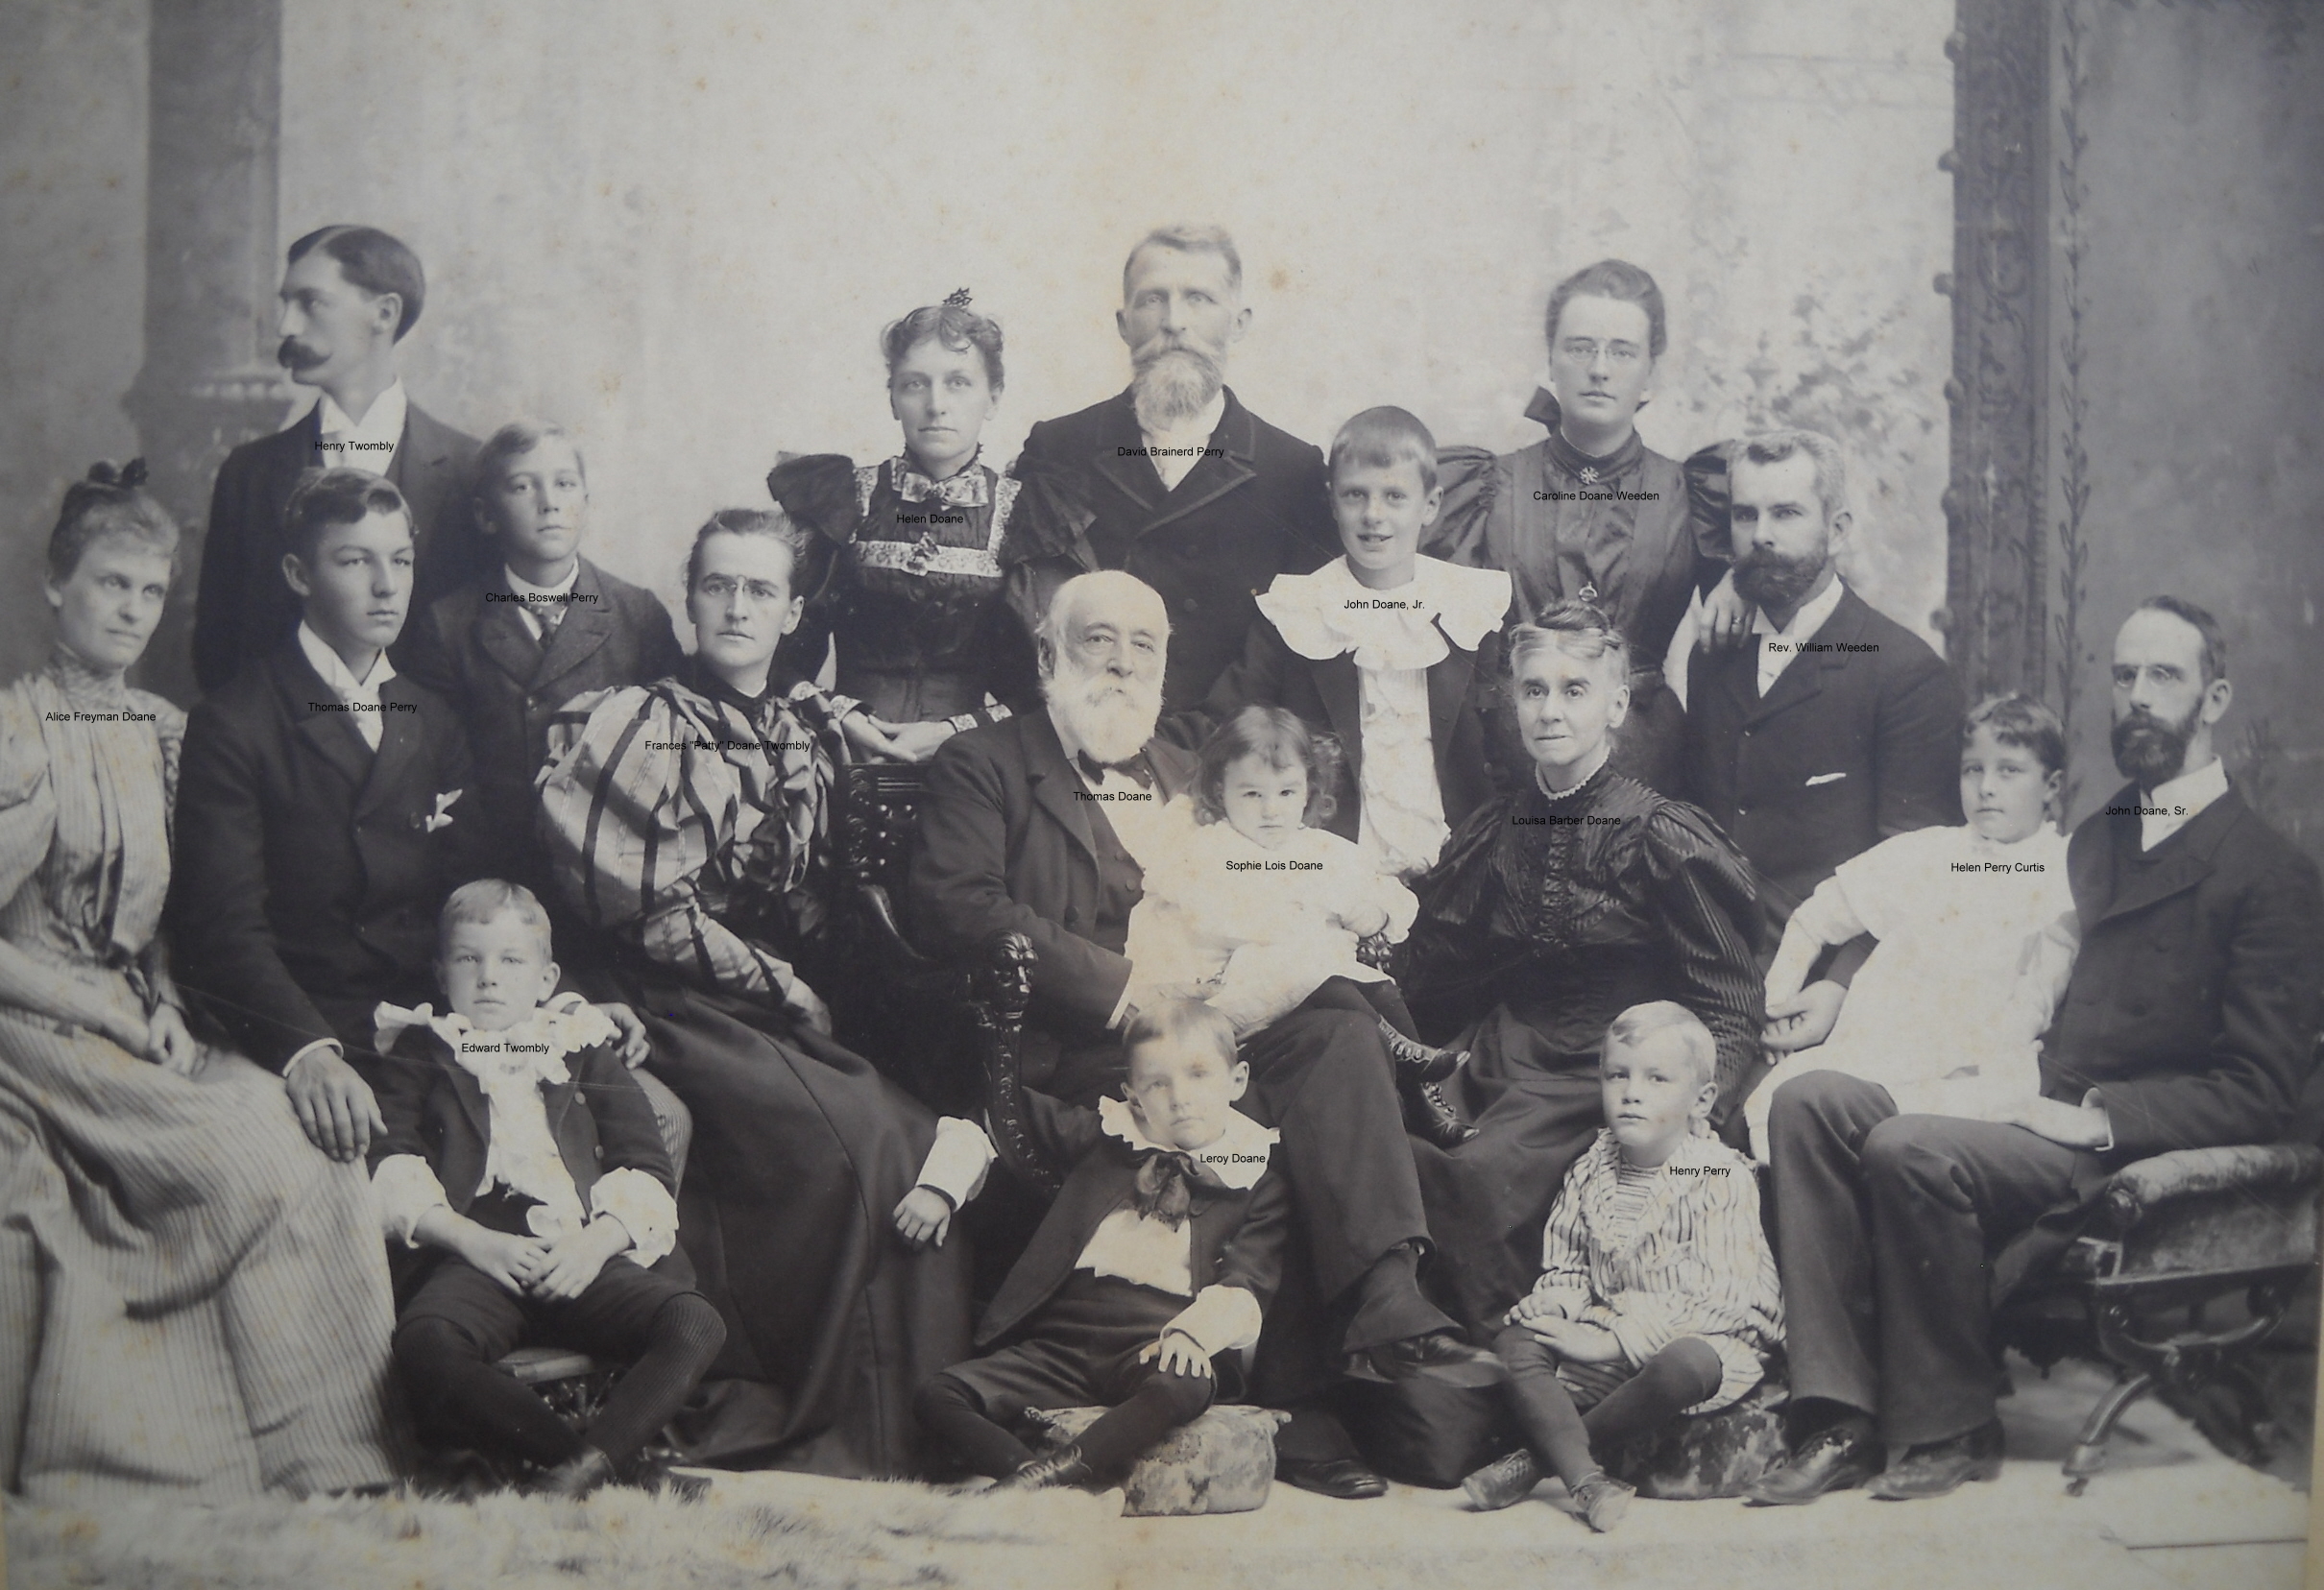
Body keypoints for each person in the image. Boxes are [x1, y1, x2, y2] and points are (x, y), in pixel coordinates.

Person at [909, 569, 1501, 1501]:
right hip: (1095, 1050)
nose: (1121, 663)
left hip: (1223, 1025)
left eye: (1142, 646)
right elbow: (960, 905)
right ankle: (1303, 1406)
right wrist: (1124, 990)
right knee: (1291, 1098)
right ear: (1046, 654)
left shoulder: (1190, 770)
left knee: (1338, 1044)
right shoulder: (983, 763)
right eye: (1097, 639)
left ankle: (1386, 1292)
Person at [1749, 596, 2324, 1506]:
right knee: (1808, 1099)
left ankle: (1952, 1424)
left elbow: (2261, 1090)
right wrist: (1845, 991)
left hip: (2115, 1140)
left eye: (2164, 676)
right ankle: (1839, 1414)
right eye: (2124, 676)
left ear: (2214, 699)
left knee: (1907, 1145)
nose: (2138, 696)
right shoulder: (2099, 838)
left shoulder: (2270, 876)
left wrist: (2098, 1118)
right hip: (2026, 1095)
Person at [538, 505, 971, 1478]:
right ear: (691, 601)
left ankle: (912, 1419)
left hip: (761, 1002)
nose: (737, 607)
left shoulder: (803, 727)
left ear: (792, 614)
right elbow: (647, 911)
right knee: (852, 1142)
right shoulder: (640, 724)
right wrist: (787, 989)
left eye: (760, 590)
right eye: (718, 586)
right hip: (658, 995)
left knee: (908, 1131)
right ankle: (805, 1409)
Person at [0, 463, 398, 1499]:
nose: (132, 611)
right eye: (109, 584)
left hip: (141, 1019)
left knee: (303, 1141)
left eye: (150, 590)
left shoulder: (163, 730)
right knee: (236, 1154)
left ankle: (325, 1455)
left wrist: (166, 1001)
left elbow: (175, 914)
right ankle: (168, 1457)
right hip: (29, 1021)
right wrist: (94, 1009)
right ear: (55, 585)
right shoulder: (16, 731)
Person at [1400, 604, 1763, 1343]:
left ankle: (1500, 1366)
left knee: (1478, 1175)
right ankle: (1405, 1347)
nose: (1550, 711)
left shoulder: (1661, 833)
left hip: (1604, 1073)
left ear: (1617, 705)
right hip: (1501, 1057)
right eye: (1534, 690)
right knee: (1392, 1145)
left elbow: (1728, 996)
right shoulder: (1496, 828)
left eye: (1574, 690)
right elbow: (1436, 970)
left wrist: (1694, 1116)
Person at [169, 469, 488, 1164]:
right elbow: (222, 928)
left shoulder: (432, 717)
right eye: (354, 561)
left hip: (430, 1028)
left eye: (401, 560)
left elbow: (472, 896)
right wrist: (306, 1050)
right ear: (298, 573)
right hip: (311, 1032)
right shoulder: (235, 722)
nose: (387, 586)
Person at [371, 880, 724, 1498]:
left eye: (511, 961)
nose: (488, 977)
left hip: (577, 1252)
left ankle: (580, 1472)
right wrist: (474, 1242)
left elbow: (646, 1164)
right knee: (426, 1344)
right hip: (478, 1258)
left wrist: (594, 1245)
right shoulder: (421, 1050)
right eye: (468, 958)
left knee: (694, 1321)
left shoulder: (580, 1047)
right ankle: (603, 1468)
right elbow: (391, 1164)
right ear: (441, 973)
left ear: (546, 979)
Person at [898, 1000, 1291, 1490]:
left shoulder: (1254, 1176)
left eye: (1198, 1075)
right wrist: (941, 1186)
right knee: (939, 1394)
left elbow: (1247, 1281)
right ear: (1132, 1095)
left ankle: (1050, 1478)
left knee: (1186, 1384)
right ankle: (1034, 1478)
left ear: (1237, 1080)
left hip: (1157, 1339)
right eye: (1157, 1084)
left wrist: (1194, 1336)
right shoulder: (1107, 1136)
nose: (1180, 1098)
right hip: (1063, 1341)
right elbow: (1001, 1115)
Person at [1460, 1004, 1780, 1532]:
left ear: (1701, 1100)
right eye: (1617, 1075)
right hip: (1607, 1327)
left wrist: (1614, 1343)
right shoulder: (1593, 1166)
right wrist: (1556, 1303)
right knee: (1516, 1341)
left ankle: (1539, 1462)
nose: (1631, 1093)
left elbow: (1722, 1299)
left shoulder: (1718, 1172)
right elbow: (1568, 1263)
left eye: (1657, 1079)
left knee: (1685, 1365)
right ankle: (1588, 1480)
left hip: (1708, 1335)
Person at [1426, 259, 1743, 795]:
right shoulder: (1485, 487)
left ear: (1650, 372)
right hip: (1514, 774)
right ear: (1551, 360)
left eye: (1622, 352)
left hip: (1650, 773)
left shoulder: (1694, 493)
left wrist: (1744, 576)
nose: (1599, 369)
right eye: (1580, 348)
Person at [1005, 225, 1337, 712]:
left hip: (1228, 742)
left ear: (1239, 323)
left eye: (1199, 298)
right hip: (1081, 734)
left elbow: (1297, 648)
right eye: (1152, 300)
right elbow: (1022, 625)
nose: (1174, 322)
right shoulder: (1059, 448)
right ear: (1124, 324)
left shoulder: (1293, 470)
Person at [1744, 693, 2077, 1161]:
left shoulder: (2065, 873)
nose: (1986, 787)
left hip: (1978, 1071)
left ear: (2051, 785)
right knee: (1785, 1107)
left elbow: (2041, 996)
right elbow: (1813, 919)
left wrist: (1985, 1059)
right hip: (1877, 1052)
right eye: (1973, 770)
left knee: (1910, 1139)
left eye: (2009, 771)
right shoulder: (1926, 853)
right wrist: (1776, 1006)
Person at [1187, 406, 1512, 880]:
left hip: (1459, 868)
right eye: (1356, 495)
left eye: (1394, 496)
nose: (1373, 515)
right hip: (1333, 871)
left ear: (1430, 505)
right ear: (1333, 502)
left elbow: (1503, 747)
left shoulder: (1470, 607)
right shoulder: (1297, 612)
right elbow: (1226, 728)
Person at [1680, 429, 1964, 952]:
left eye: (1786, 513)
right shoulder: (1714, 656)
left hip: (1828, 971)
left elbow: (1916, 873)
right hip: (1705, 958)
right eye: (1745, 515)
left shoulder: (1907, 673)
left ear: (1837, 531)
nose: (1761, 536)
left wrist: (1835, 987)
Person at [399, 422, 684, 913]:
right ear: (486, 515)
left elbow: (669, 755)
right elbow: (438, 770)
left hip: (610, 879)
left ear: (586, 504)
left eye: (564, 484)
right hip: (495, 878)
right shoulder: (448, 624)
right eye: (522, 486)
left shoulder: (637, 615)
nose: (549, 502)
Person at [194, 225, 482, 692]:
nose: (286, 327)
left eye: (311, 303)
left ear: (384, 313)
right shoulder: (249, 474)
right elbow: (218, 655)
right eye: (286, 304)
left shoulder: (472, 471)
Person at [765, 291, 1039, 761]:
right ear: (893, 397)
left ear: (992, 399)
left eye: (958, 383)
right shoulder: (843, 499)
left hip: (973, 762)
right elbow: (780, 657)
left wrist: (953, 733)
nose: (936, 405)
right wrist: (842, 717)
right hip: (845, 750)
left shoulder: (1024, 513)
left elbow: (1041, 688)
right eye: (915, 384)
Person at [1126, 706, 1426, 1048]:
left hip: (1301, 989)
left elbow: (1389, 895)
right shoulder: (1212, 849)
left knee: (1375, 987)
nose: (1271, 811)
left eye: (1286, 793)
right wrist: (1317, 913)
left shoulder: (1317, 848)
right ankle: (1397, 1045)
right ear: (1221, 791)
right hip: (1226, 997)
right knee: (1319, 970)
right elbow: (1217, 920)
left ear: (1308, 790)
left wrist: (1375, 913)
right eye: (1252, 794)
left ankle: (1415, 1057)